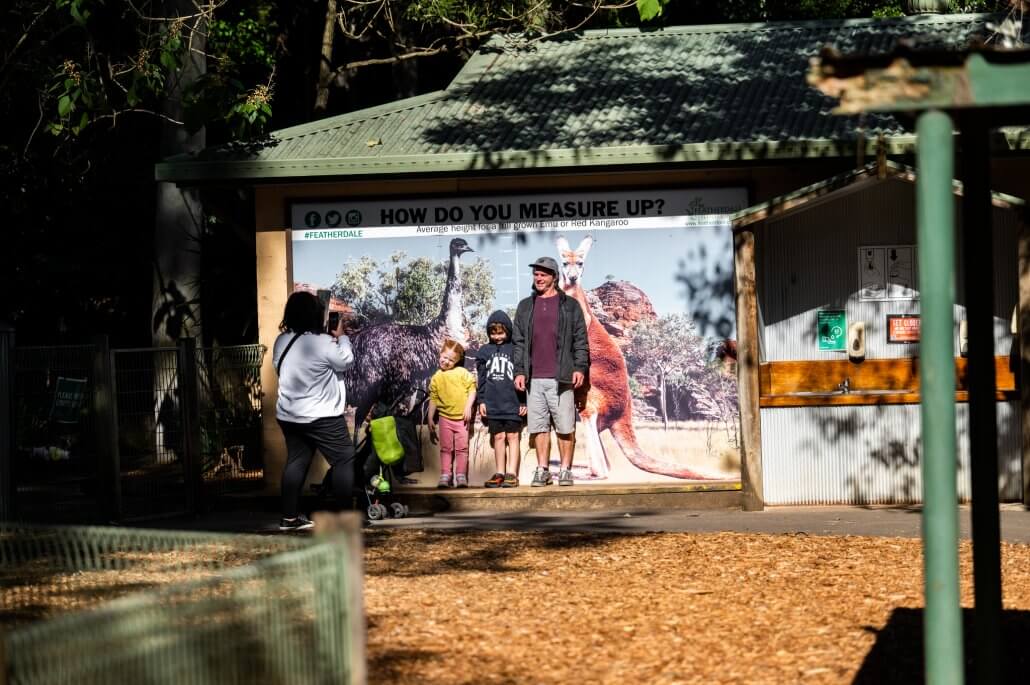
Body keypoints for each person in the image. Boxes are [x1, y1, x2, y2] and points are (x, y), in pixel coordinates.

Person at [272, 291, 355, 531]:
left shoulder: (281, 340)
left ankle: (289, 518)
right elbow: (346, 362)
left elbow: (279, 367)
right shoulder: (323, 342)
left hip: (289, 415)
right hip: (322, 416)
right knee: (344, 459)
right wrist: (342, 338)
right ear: (316, 314)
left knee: (296, 462)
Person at [512, 256, 589, 487]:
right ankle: (543, 469)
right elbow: (519, 342)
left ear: (554, 277)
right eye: (536, 274)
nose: (538, 278)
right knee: (539, 427)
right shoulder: (526, 306)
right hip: (534, 379)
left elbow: (580, 340)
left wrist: (579, 367)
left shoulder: (570, 305)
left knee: (565, 426)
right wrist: (520, 371)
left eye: (543, 274)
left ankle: (565, 470)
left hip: (562, 378)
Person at [476, 311, 527, 488]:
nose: (497, 337)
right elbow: (481, 379)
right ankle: (499, 472)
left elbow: (522, 377)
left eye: (501, 333)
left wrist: (523, 402)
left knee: (513, 436)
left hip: (512, 402)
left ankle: (511, 473)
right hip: (493, 403)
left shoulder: (515, 350)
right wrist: (481, 401)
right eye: (493, 333)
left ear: (509, 331)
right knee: (498, 437)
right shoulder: (484, 351)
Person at [427, 339, 477, 488]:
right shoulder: (436, 377)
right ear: (440, 354)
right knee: (446, 448)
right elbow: (433, 399)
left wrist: (468, 407)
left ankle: (461, 475)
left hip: (461, 419)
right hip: (444, 418)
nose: (447, 361)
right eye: (445, 357)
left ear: (457, 361)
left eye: (451, 359)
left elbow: (472, 390)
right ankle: (445, 475)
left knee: (462, 448)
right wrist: (430, 417)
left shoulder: (462, 372)